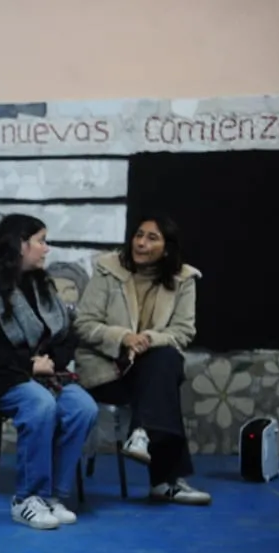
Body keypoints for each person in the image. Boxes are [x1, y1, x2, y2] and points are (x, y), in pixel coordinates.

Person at [0, 214, 98, 530]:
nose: (46, 249)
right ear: (20, 244)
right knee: (40, 403)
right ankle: (27, 499)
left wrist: (50, 362)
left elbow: (66, 335)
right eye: (41, 241)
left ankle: (52, 496)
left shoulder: (41, 285)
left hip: (45, 378)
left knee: (83, 407)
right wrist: (28, 364)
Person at [74, 213, 210, 505]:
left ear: (167, 248)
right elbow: (84, 324)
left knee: (164, 360)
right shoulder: (109, 269)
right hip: (107, 371)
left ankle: (142, 433)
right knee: (164, 378)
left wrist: (147, 339)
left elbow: (183, 332)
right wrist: (124, 337)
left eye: (152, 238)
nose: (141, 243)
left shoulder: (184, 279)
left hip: (150, 372)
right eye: (139, 235)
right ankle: (164, 479)